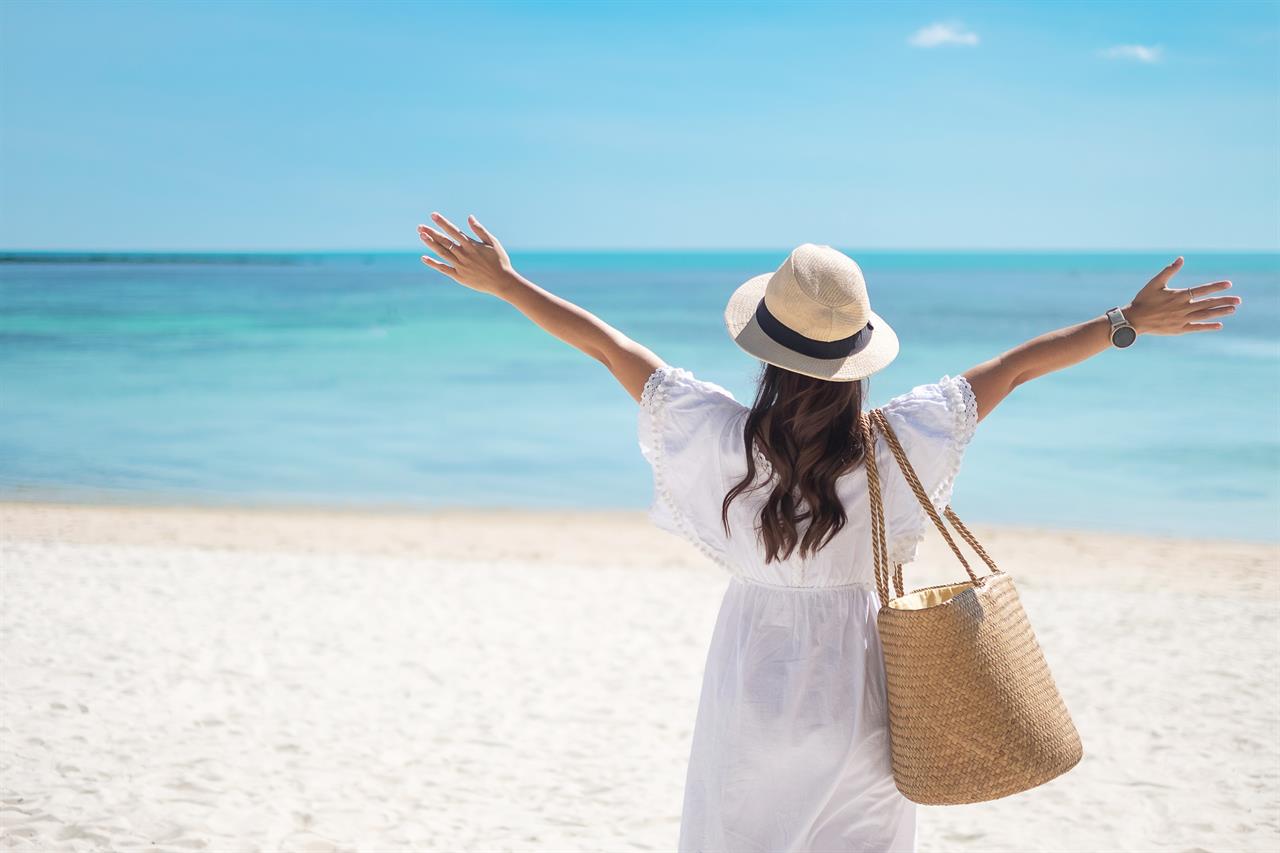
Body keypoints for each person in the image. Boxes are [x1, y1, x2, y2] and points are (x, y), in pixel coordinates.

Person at [416, 212, 1240, 852]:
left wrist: (507, 284)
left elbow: (607, 347)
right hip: (863, 696)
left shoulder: (717, 438)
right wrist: (1126, 321)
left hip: (751, 690)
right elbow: (1017, 365)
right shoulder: (900, 441)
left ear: (767, 353)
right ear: (861, 356)